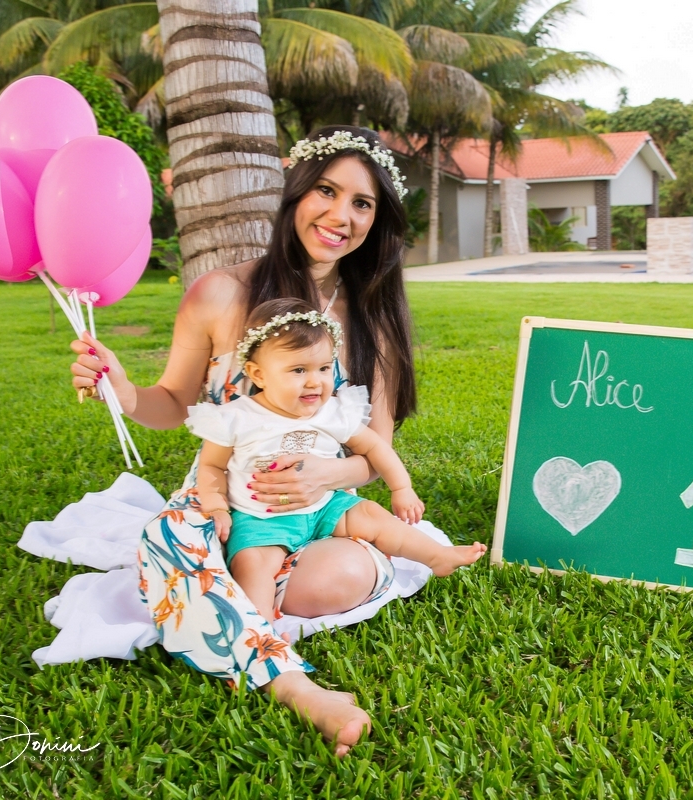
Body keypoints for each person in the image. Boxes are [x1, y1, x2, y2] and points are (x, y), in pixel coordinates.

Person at [67, 126, 427, 756]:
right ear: (295, 193)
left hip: (327, 509)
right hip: (232, 503)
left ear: (379, 218)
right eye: (326, 190)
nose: (340, 215)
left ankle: (229, 604)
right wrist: (123, 391)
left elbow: (375, 455)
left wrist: (324, 479)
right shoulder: (221, 294)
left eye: (362, 203)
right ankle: (293, 685)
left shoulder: (374, 317)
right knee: (169, 537)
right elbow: (173, 402)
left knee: (332, 578)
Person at [190, 298, 487, 621]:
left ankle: (436, 556)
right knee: (253, 565)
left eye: (323, 368)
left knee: (372, 515)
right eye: (298, 370)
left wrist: (401, 487)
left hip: (325, 508)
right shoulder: (237, 417)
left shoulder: (332, 410)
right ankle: (258, 631)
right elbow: (212, 467)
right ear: (258, 374)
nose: (315, 381)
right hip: (262, 519)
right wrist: (217, 506)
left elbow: (375, 447)